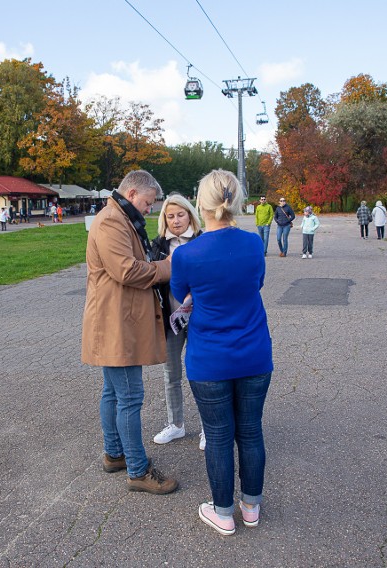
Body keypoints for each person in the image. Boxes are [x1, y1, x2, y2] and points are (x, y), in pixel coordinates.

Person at [171, 169, 274, 535]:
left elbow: (180, 293)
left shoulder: (186, 254)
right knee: (250, 430)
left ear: (201, 204)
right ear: (236, 200)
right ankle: (251, 507)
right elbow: (256, 283)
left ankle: (223, 512)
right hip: (254, 353)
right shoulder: (252, 243)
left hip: (209, 358)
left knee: (217, 435)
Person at [81, 169, 178, 495]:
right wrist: (169, 267)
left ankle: (115, 454)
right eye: (149, 203)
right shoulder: (111, 221)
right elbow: (126, 270)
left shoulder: (121, 218)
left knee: (113, 393)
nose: (150, 210)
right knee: (130, 397)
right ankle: (138, 470)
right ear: (133, 193)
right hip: (115, 324)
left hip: (117, 321)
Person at [150, 193, 204, 450]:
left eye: (180, 215)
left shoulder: (203, 240)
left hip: (200, 318)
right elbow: (151, 275)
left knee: (202, 374)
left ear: (190, 214)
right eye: (170, 216)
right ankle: (176, 424)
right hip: (170, 320)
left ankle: (208, 427)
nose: (175, 220)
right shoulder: (158, 244)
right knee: (170, 373)